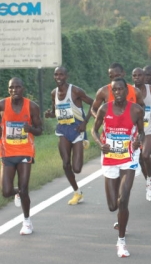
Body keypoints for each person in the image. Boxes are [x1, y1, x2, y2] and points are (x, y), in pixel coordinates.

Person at [91, 77, 144, 258]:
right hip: (110, 157)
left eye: (121, 89)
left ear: (127, 91)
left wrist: (138, 141)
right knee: (113, 205)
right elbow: (94, 130)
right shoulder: (104, 108)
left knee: (123, 199)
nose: (118, 92)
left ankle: (121, 242)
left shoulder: (136, 110)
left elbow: (141, 132)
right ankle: (120, 219)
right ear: (112, 92)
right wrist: (100, 144)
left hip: (129, 157)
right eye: (115, 90)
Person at [45, 66, 93, 205]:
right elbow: (55, 112)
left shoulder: (76, 91)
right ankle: (77, 192)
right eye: (56, 74)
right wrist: (50, 115)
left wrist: (85, 122)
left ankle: (83, 140)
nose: (58, 77)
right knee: (66, 164)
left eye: (61, 74)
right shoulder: (53, 93)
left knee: (76, 168)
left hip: (77, 128)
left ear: (66, 76)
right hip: (62, 129)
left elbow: (93, 103)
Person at [0, 77, 43, 235]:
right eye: (11, 88)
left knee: (25, 188)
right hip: (7, 152)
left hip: (25, 151)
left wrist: (30, 128)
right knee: (6, 191)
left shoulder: (32, 106)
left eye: (17, 87)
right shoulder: (3, 104)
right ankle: (17, 192)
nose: (14, 90)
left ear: (23, 89)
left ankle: (27, 221)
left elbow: (40, 130)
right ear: (8, 89)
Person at [132, 68, 151, 201]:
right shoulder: (129, 91)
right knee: (140, 159)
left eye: (140, 75)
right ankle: (149, 180)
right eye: (134, 75)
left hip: (150, 126)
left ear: (145, 77)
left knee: (145, 154)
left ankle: (150, 181)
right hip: (135, 128)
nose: (137, 77)